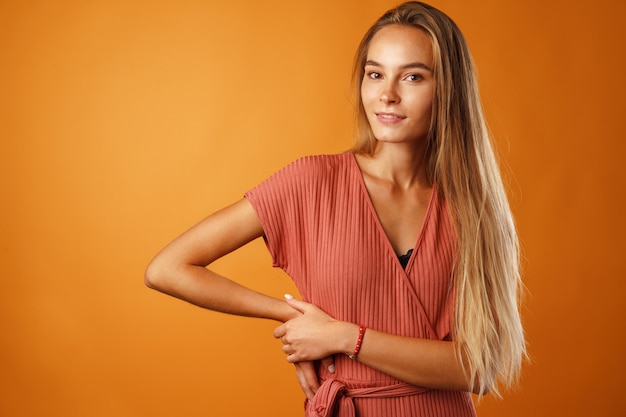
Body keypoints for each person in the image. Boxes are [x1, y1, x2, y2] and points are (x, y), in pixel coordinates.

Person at [145, 2, 526, 416]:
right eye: (375, 74)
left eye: (413, 76)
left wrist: (346, 337)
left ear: (449, 88)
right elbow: (167, 269)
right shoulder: (312, 182)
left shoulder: (476, 210)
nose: (387, 94)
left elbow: (479, 368)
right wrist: (298, 320)